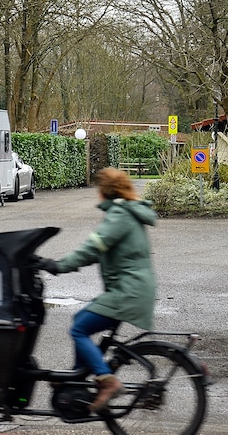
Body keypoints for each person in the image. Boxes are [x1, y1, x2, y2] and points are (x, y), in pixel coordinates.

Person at [31, 167, 157, 413]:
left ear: (103, 191)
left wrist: (56, 266)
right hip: (132, 288)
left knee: (79, 328)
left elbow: (92, 248)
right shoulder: (127, 211)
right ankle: (77, 379)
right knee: (81, 320)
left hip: (127, 292)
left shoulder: (119, 216)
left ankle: (107, 380)